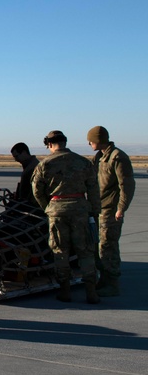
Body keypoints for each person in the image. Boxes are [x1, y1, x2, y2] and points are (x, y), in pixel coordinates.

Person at [31, 130, 101, 304]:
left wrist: (48, 207)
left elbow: (37, 190)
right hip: (80, 209)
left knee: (60, 251)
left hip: (57, 211)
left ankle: (65, 291)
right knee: (85, 251)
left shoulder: (44, 164)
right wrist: (93, 211)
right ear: (65, 142)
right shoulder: (83, 162)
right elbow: (93, 189)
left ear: (49, 144)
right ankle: (91, 292)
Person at [87, 126, 136, 297]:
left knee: (108, 247)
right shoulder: (99, 158)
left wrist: (121, 208)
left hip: (111, 210)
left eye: (91, 140)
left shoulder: (117, 157)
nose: (89, 143)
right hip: (99, 209)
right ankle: (104, 281)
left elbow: (127, 185)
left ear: (98, 140)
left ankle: (112, 284)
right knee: (99, 247)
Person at [10, 142, 40, 206]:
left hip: (30, 205)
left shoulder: (32, 168)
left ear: (24, 152)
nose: (16, 160)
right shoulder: (30, 166)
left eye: (16, 156)